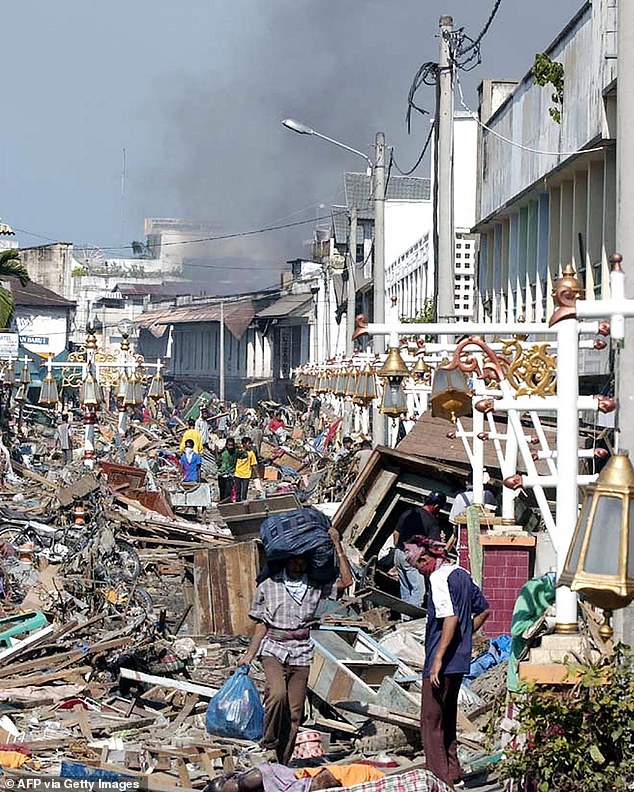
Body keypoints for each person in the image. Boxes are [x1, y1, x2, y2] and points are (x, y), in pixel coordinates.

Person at [238, 527, 353, 765]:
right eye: (295, 560)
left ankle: (282, 762)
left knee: (294, 714)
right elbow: (261, 624)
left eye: (303, 561)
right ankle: (268, 743)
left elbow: (347, 581)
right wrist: (250, 654)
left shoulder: (314, 585)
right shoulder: (269, 585)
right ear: (286, 560)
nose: (299, 565)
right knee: (277, 694)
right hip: (273, 647)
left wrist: (337, 545)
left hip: (301, 651)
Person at [408, 537, 490, 787]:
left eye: (418, 565)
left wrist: (437, 659)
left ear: (426, 559)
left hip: (440, 659)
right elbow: (484, 609)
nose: (420, 571)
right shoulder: (462, 574)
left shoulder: (438, 578)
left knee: (431, 721)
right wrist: (465, 638)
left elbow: (450, 618)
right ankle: (453, 770)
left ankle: (439, 778)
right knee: (448, 716)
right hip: (459, 659)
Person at [392, 491, 447, 610]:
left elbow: (396, 533)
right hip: (413, 559)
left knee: (405, 589)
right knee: (418, 592)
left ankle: (403, 619)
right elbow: (435, 548)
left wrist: (399, 549)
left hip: (399, 554)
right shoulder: (432, 522)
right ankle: (409, 621)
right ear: (436, 506)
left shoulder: (409, 513)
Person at [234, 436, 258, 501]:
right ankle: (237, 504)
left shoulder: (251, 453)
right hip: (237, 473)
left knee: (244, 491)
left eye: (251, 444)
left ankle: (243, 503)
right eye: (249, 443)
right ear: (244, 444)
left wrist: (257, 475)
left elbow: (253, 464)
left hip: (246, 475)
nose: (250, 445)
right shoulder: (238, 451)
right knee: (238, 491)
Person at [217, 437, 238, 502]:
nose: (230, 447)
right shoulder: (223, 453)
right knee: (222, 491)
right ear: (226, 445)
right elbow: (218, 462)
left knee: (228, 492)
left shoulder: (235, 452)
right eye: (229, 445)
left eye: (232, 445)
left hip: (230, 474)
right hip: (221, 474)